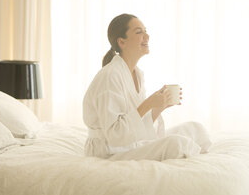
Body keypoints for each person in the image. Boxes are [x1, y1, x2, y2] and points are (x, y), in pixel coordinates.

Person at [83, 13, 212, 161]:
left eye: (145, 31)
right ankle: (194, 156)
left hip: (128, 143)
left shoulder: (138, 74)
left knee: (196, 129)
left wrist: (158, 108)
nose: (147, 36)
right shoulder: (110, 76)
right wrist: (148, 104)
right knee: (176, 143)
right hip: (109, 150)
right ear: (122, 42)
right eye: (139, 32)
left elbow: (137, 126)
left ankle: (192, 152)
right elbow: (115, 134)